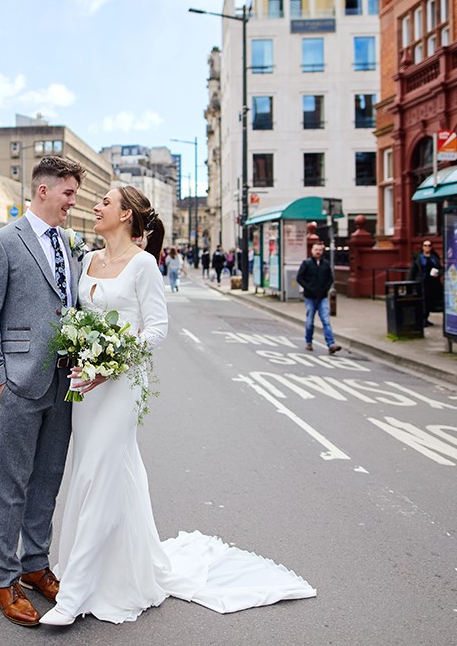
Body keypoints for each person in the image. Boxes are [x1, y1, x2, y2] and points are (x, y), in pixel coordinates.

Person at [39, 184, 316, 627]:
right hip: (84, 387)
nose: (95, 206)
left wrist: (111, 363)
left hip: (120, 383)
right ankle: (123, 571)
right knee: (105, 473)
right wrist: (80, 353)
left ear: (126, 215)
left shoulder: (144, 265)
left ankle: (73, 595)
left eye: (105, 202)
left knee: (100, 473)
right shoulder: (87, 260)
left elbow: (157, 329)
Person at [0, 155, 87, 627]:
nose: (73, 202)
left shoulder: (69, 243)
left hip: (63, 382)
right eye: (68, 194)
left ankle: (35, 563)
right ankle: (3, 579)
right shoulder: (3, 243)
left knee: (47, 480)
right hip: (19, 383)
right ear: (44, 191)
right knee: (11, 483)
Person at [296, 242, 341, 354]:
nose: (318, 252)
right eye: (316, 250)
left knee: (326, 320)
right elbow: (299, 277)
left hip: (322, 297)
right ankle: (309, 342)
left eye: (320, 250)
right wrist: (308, 287)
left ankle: (331, 344)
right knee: (310, 321)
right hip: (310, 297)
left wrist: (325, 289)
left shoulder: (325, 264)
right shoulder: (306, 263)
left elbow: (330, 279)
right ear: (312, 251)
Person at [408, 239, 444, 327]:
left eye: (429, 245)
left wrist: (439, 273)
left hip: (433, 283)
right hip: (421, 282)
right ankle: (421, 319)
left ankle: (426, 318)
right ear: (422, 247)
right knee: (422, 301)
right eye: (425, 245)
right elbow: (412, 271)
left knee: (430, 301)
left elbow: (441, 268)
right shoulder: (418, 258)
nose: (427, 247)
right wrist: (410, 282)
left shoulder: (434, 257)